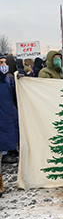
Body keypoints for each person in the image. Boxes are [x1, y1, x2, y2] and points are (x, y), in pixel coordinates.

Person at [0, 53, 19, 196]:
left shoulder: (7, 79)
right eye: (1, 63)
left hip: (7, 120)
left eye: (4, 62)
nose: (4, 65)